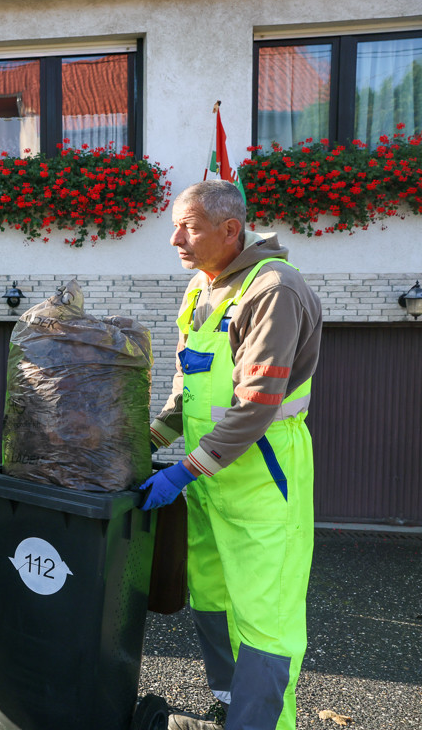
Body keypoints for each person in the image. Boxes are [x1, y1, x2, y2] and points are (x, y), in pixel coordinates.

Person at [138, 180, 322, 730]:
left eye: (188, 227)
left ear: (230, 230)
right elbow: (186, 391)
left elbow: (258, 404)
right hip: (210, 478)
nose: (174, 239)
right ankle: (229, 706)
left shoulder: (273, 290)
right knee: (212, 598)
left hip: (263, 478)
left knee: (265, 620)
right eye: (174, 225)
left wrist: (183, 470)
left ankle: (260, 724)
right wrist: (143, 442)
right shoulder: (203, 288)